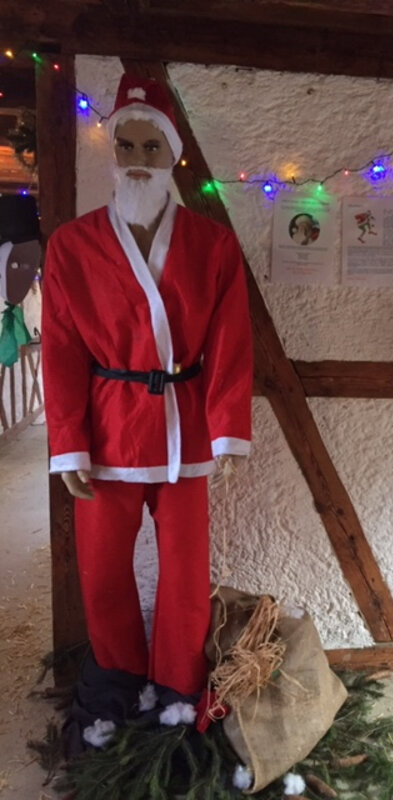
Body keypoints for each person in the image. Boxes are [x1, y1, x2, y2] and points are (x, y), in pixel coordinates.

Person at [41, 75, 253, 719]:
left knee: (185, 572)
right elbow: (61, 352)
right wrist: (68, 444)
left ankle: (178, 693)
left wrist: (227, 431)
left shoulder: (213, 244)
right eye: (126, 145)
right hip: (107, 428)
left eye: (151, 146)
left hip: (184, 428)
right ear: (113, 151)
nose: (137, 159)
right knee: (102, 568)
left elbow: (230, 343)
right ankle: (116, 686)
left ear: (173, 155)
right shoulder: (72, 245)